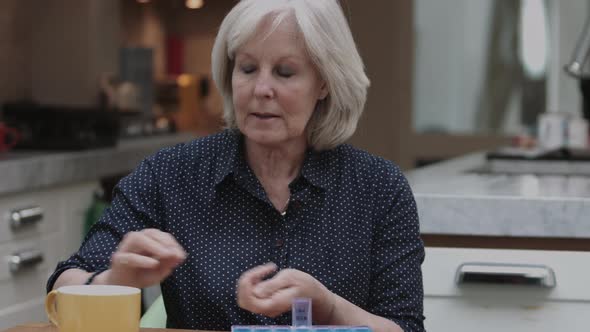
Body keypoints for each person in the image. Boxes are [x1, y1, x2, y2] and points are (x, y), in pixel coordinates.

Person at [47, 1, 425, 331]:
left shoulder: (379, 187)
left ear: (324, 82)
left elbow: (404, 326)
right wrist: (116, 278)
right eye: (247, 68)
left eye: (285, 72)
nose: (261, 89)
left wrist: (327, 306)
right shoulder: (171, 174)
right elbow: (63, 286)